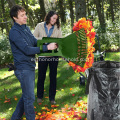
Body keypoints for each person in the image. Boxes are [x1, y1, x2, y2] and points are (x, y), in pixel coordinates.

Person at [9, 5, 57, 120]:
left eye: (25, 14)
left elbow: (35, 42)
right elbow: (27, 49)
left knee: (26, 95)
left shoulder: (25, 28)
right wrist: (47, 48)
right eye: (22, 15)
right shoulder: (14, 32)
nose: (25, 17)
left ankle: (15, 118)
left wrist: (48, 45)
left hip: (29, 67)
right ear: (15, 18)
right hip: (23, 68)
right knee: (29, 98)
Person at [33, 11, 62, 104]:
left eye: (56, 19)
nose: (54, 20)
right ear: (49, 17)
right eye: (53, 18)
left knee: (53, 77)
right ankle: (39, 96)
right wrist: (44, 41)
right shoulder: (39, 26)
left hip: (54, 56)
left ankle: (52, 98)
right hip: (43, 55)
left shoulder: (57, 28)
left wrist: (57, 44)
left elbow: (60, 41)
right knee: (41, 76)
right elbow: (33, 39)